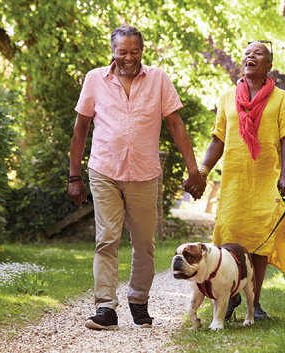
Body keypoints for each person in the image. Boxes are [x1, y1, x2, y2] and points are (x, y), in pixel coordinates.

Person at [68, 25, 206, 330]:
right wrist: (74, 176)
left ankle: (138, 301)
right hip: (104, 170)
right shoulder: (95, 79)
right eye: (122, 51)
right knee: (107, 240)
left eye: (135, 51)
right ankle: (105, 308)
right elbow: (80, 129)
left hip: (144, 174)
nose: (129, 57)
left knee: (144, 243)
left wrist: (193, 169)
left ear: (142, 51)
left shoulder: (158, 79)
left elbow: (175, 125)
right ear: (113, 51)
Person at [184, 41, 285, 320]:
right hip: (234, 180)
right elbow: (219, 138)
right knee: (229, 236)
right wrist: (202, 172)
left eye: (259, 53)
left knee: (259, 242)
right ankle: (229, 297)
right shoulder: (228, 97)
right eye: (247, 53)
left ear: (268, 66)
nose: (250, 56)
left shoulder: (282, 99)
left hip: (266, 179)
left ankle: (256, 303)